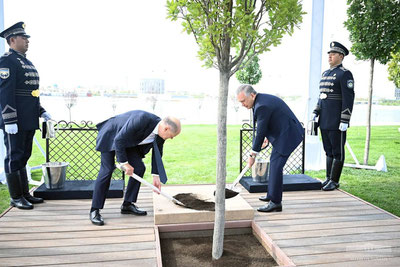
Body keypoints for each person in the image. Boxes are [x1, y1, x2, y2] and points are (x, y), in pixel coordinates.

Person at [90, 110, 181, 225]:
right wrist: (124, 163)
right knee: (107, 170)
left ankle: (127, 204)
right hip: (111, 135)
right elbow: (118, 140)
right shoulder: (141, 119)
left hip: (127, 141)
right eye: (172, 136)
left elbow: (157, 153)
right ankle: (95, 210)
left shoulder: (160, 133)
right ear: (166, 129)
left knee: (139, 168)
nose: (171, 138)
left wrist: (156, 175)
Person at [0, 22, 51, 210]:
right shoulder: (7, 61)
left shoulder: (25, 61)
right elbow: (5, 93)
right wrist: (9, 119)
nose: (27, 41)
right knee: (14, 156)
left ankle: (24, 193)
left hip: (28, 118)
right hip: (15, 120)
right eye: (24, 38)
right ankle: (16, 196)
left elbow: (31, 93)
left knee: (24, 156)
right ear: (12, 40)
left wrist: (41, 111)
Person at [237, 85, 304, 212]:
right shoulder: (260, 101)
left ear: (252, 95)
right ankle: (271, 195)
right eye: (240, 102)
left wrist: (252, 155)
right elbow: (266, 124)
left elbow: (260, 131)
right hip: (282, 134)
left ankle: (276, 202)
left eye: (243, 101)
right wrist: (266, 137)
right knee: (274, 164)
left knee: (276, 165)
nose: (242, 105)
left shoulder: (262, 105)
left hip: (288, 135)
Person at [313, 41, 355, 191]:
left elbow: (348, 98)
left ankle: (335, 180)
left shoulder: (345, 74)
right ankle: (328, 178)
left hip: (337, 120)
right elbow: (322, 95)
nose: (330, 56)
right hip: (324, 119)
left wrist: (345, 119)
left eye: (333, 53)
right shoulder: (326, 73)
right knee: (328, 150)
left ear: (341, 56)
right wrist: (316, 111)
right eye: (329, 53)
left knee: (338, 151)